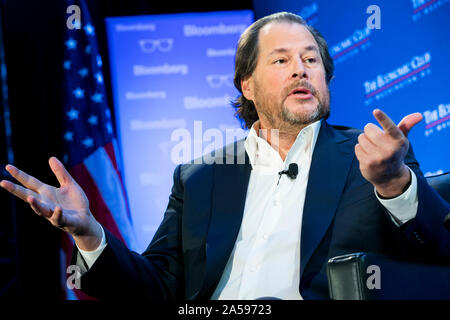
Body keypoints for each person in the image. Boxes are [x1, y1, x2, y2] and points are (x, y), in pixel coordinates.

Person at [1, 12, 449, 300]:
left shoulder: (372, 157)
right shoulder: (199, 178)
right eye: (281, 60)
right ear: (247, 86)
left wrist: (395, 185)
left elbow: (439, 252)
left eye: (311, 59)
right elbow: (156, 287)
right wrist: (90, 235)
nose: (301, 68)